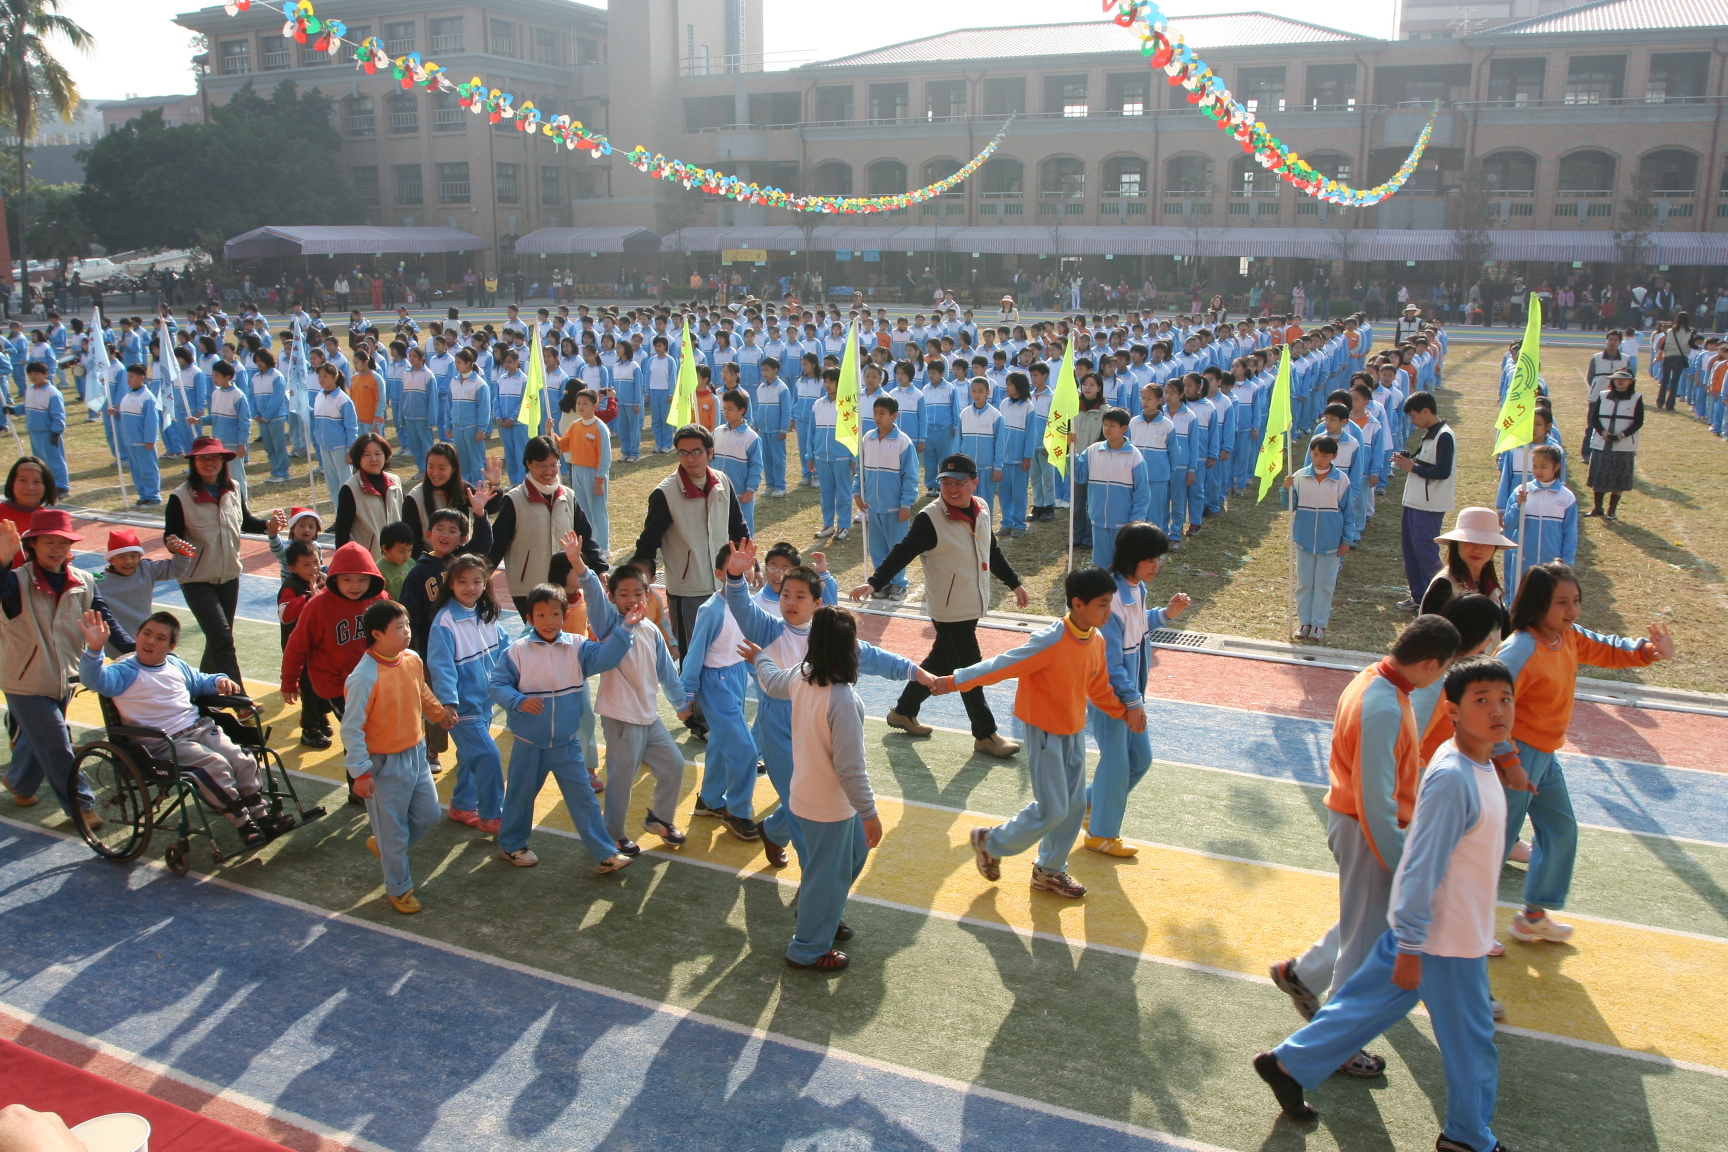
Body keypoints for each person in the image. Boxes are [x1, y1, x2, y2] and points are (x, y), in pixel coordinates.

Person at [1256, 657, 1516, 1152]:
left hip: (1442, 933)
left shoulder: (1476, 766)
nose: (1497, 710)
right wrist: (1413, 944)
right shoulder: (1454, 778)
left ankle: (1287, 1065)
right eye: (1481, 700)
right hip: (1441, 938)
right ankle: (1466, 1137)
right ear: (1453, 711)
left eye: (1505, 700)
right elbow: (1420, 864)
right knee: (1472, 1042)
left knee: (1363, 1009)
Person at [1268, 614, 1460, 1077]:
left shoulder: (1375, 679)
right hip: (1368, 832)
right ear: (1430, 664)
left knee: (1361, 928)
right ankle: (1336, 1047)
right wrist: (1402, 863)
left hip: (1360, 826)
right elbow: (1377, 801)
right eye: (1446, 668)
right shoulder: (1385, 705)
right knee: (1361, 948)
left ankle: (1305, 976)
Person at [1496, 562, 1673, 945]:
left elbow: (1608, 648)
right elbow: (1489, 704)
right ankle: (1456, 923)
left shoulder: (1568, 636)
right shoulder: (1521, 648)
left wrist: (1649, 651)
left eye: (1575, 600)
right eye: (1562, 602)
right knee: (1492, 843)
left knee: (1560, 832)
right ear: (1537, 603)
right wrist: (1506, 759)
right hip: (1514, 756)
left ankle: (1532, 916)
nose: (1572, 610)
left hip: (1545, 757)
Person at [947, 566, 1134, 899]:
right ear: (1078, 604)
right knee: (1053, 808)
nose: (1109, 611)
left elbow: (1097, 687)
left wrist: (1124, 712)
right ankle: (991, 842)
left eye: (1110, 603)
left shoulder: (1096, 640)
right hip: (1044, 732)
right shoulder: (1051, 640)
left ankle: (1049, 871)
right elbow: (1003, 664)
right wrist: (955, 680)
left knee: (1074, 807)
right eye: (1103, 604)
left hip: (1073, 731)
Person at [850, 453, 1029, 757]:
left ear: (974, 483)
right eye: (946, 482)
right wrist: (875, 582)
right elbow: (903, 551)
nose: (952, 488)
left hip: (972, 603)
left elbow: (991, 550)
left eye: (959, 482)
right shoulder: (930, 518)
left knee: (942, 660)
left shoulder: (982, 508)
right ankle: (985, 734)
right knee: (970, 668)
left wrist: (1014, 583)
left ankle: (904, 711)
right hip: (949, 610)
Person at [744, 606, 883, 972]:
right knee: (825, 875)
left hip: (808, 796)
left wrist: (759, 657)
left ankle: (822, 913)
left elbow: (771, 679)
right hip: (829, 806)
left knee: (852, 854)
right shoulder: (842, 699)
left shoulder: (802, 675)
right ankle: (807, 948)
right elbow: (850, 769)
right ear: (848, 649)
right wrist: (869, 813)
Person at [79, 609, 290, 847]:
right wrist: (95, 648)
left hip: (199, 729)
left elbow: (200, 681)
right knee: (215, 764)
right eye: (146, 634)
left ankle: (262, 817)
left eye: (160, 638)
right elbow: (93, 679)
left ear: (171, 646)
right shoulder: (123, 672)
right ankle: (244, 823)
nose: (151, 641)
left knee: (241, 758)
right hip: (163, 743)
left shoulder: (175, 665)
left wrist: (219, 680)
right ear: (137, 636)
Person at [489, 581, 638, 873]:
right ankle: (511, 846)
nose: (549, 621)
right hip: (528, 744)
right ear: (530, 618)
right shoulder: (517, 651)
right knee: (519, 797)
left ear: (565, 615)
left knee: (584, 799)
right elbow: (497, 685)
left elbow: (607, 656)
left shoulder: (577, 646)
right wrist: (519, 701)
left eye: (555, 614)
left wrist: (626, 628)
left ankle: (605, 853)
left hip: (567, 743)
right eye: (541, 615)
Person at [0, 511, 135, 822]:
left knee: (40, 738)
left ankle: (19, 782)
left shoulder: (84, 581)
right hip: (24, 680)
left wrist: (135, 650)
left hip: (67, 677)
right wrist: (4, 559)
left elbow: (105, 620)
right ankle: (82, 805)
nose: (56, 549)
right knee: (57, 742)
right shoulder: (16, 580)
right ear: (32, 545)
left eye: (63, 542)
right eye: (48, 542)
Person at [629, 423, 748, 737]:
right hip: (688, 590)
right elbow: (647, 545)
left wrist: (752, 566)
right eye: (683, 453)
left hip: (726, 587)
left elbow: (738, 528)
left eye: (696, 452)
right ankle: (702, 722)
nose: (690, 459)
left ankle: (714, 714)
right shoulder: (665, 494)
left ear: (710, 452)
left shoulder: (722, 482)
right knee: (697, 658)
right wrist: (638, 584)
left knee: (726, 653)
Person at [343, 599, 453, 915]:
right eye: (399, 627)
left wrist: (439, 713)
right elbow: (352, 728)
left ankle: (385, 847)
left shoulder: (412, 660)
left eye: (406, 625)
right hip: (383, 763)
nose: (407, 632)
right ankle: (399, 888)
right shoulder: (364, 676)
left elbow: (421, 691)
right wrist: (361, 772)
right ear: (377, 634)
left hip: (416, 752)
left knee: (428, 814)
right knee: (393, 831)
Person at [1087, 523, 1190, 857]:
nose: (1156, 566)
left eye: (1158, 559)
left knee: (1139, 759)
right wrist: (1132, 703)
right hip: (1111, 696)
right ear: (1131, 559)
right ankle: (1101, 834)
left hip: (1129, 694)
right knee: (1116, 765)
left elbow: (1139, 623)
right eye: (1150, 560)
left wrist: (1165, 614)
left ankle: (1088, 804)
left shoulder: (1135, 588)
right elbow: (1112, 662)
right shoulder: (1112, 599)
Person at [587, 559, 689, 853]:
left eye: (637, 593)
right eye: (623, 594)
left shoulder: (651, 630)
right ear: (612, 597)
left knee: (674, 764)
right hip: (621, 717)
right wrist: (582, 568)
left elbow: (666, 671)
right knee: (622, 778)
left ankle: (660, 819)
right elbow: (593, 595)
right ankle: (613, 834)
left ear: (648, 595)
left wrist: (680, 703)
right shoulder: (610, 626)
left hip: (647, 716)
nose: (631, 599)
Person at [281, 541, 390, 802]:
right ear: (334, 578)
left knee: (379, 729)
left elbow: (394, 635)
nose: (355, 586)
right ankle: (358, 788)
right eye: (347, 579)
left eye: (362, 579)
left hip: (372, 680)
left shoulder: (379, 600)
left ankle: (376, 778)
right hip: (335, 683)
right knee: (359, 731)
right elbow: (297, 645)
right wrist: (289, 681)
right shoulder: (318, 606)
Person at [163, 438, 275, 686]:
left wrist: (268, 525)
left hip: (229, 577)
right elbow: (171, 535)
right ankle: (239, 697)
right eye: (202, 457)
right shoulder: (180, 497)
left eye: (214, 457)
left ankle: (203, 691)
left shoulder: (233, 488)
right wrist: (173, 545)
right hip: (196, 580)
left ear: (224, 460)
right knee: (222, 638)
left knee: (218, 639)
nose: (209, 462)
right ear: (193, 462)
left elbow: (245, 521)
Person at [679, 541, 761, 841]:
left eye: (748, 566)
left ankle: (710, 800)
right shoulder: (712, 610)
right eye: (734, 567)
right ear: (719, 574)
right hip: (716, 682)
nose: (743, 572)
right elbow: (695, 653)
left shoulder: (747, 603)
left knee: (720, 743)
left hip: (737, 674)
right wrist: (686, 696)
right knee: (745, 751)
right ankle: (737, 811)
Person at [427, 553, 508, 834]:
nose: (470, 587)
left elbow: (505, 649)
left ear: (485, 583)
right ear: (450, 583)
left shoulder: (486, 614)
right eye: (462, 581)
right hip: (462, 708)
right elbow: (441, 667)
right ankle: (492, 815)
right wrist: (448, 703)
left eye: (476, 581)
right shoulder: (445, 622)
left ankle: (462, 805)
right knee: (488, 756)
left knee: (471, 757)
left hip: (484, 703)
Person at [489, 435, 608, 620]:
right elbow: (497, 544)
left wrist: (600, 568)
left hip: (563, 587)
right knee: (538, 634)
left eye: (553, 465)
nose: (548, 471)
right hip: (528, 589)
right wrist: (480, 577)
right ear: (528, 464)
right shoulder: (514, 500)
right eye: (541, 466)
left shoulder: (568, 496)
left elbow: (585, 537)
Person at [1282, 434, 1353, 644]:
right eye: (1315, 454)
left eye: (1324, 455)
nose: (1319, 459)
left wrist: (1346, 540)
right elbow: (1289, 505)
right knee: (1304, 583)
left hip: (1331, 542)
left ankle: (1319, 624)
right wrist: (1285, 489)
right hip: (1304, 540)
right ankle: (1304, 622)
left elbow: (1349, 513)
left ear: (1334, 456)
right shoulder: (1300, 476)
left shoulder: (1341, 480)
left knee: (1324, 584)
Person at [1392, 391, 1456, 611]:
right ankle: (1419, 597)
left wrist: (1413, 467)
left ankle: (1441, 601)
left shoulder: (1444, 435)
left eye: (1413, 415)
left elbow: (1443, 471)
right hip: (1415, 501)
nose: (1412, 421)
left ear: (1426, 411)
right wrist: (1409, 462)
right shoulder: (1431, 434)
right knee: (1411, 550)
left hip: (1429, 505)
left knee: (1426, 553)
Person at [854, 395, 920, 600]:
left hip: (895, 508)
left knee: (897, 548)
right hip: (873, 506)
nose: (877, 417)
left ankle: (899, 583)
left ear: (894, 416)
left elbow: (910, 476)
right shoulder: (867, 438)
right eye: (875, 412)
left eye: (882, 413)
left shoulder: (903, 441)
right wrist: (857, 492)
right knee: (877, 547)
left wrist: (906, 504)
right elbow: (860, 470)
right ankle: (881, 582)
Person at [1074, 406, 1151, 571]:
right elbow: (1079, 476)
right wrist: (1072, 452)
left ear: (1124, 428)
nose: (1107, 429)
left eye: (1112, 425)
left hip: (1124, 523)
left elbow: (1142, 493)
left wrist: (1136, 522)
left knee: (1124, 566)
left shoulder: (1134, 456)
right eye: (1105, 424)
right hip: (1098, 520)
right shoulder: (1093, 451)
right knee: (1100, 567)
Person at [278, 538, 330, 747]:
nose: (314, 568)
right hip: (300, 649)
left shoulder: (323, 579)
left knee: (325, 682)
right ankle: (309, 729)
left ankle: (321, 715)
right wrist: (309, 599)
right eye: (306, 565)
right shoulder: (291, 586)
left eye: (316, 562)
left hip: (321, 645)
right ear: (292, 568)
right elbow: (284, 614)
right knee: (308, 688)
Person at [1419, 507, 1514, 616]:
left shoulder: (1490, 584)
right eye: (1469, 541)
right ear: (1456, 544)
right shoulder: (1444, 585)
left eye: (1486, 543)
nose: (1477, 549)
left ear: (1495, 547)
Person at [1502, 446, 1576, 586]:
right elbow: (1509, 523)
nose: (1537, 471)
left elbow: (1570, 533)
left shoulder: (1567, 497)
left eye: (1543, 466)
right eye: (1534, 466)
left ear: (1556, 467)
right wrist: (1518, 506)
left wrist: (1566, 562)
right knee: (1520, 594)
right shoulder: (1521, 491)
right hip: (1523, 559)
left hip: (1551, 562)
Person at [558, 388, 613, 553]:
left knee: (598, 512)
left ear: (595, 406)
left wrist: (599, 479)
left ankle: (603, 548)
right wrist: (550, 433)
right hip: (577, 471)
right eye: (578, 403)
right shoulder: (575, 425)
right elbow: (564, 445)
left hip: (594, 473)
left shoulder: (600, 427)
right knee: (582, 511)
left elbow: (605, 457)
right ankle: (589, 545)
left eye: (585, 403)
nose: (581, 407)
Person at [1586, 367, 1642, 520]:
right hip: (1602, 442)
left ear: (1630, 381)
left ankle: (1612, 510)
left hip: (1624, 444)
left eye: (1624, 379)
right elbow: (1594, 417)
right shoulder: (1603, 396)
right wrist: (1603, 432)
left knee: (1619, 476)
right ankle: (1597, 507)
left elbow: (1638, 421)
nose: (1620, 382)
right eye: (1617, 379)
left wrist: (1622, 435)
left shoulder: (1636, 398)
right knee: (1599, 474)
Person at [713, 389, 762, 536]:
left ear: (742, 410)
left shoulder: (751, 437)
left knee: (743, 531)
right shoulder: (717, 432)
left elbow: (756, 466)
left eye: (730, 409)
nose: (726, 412)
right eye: (724, 408)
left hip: (740, 494)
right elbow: (709, 459)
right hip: (718, 492)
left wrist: (750, 490)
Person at [116, 364, 162, 506]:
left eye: (132, 376)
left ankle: (153, 497)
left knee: (148, 470)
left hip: (143, 442)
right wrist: (115, 413)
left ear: (142, 378)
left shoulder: (147, 397)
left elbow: (151, 421)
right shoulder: (128, 395)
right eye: (127, 376)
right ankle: (143, 496)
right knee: (136, 472)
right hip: (130, 441)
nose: (128, 379)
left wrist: (150, 440)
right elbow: (124, 416)